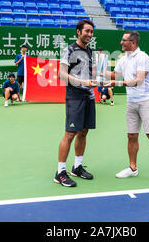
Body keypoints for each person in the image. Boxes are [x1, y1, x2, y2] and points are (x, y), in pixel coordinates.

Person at [106, 30, 149, 186]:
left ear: (133, 43)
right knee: (131, 136)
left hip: (147, 100)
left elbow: (139, 81)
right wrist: (95, 71)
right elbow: (115, 75)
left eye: (124, 40)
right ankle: (132, 168)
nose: (121, 42)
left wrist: (117, 84)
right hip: (132, 101)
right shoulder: (123, 58)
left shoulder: (143, 57)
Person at [54, 19, 96, 187]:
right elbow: (62, 75)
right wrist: (82, 82)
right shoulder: (69, 50)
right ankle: (60, 172)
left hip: (89, 97)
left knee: (84, 132)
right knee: (70, 134)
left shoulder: (91, 52)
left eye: (92, 32)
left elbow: (91, 74)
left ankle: (77, 167)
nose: (90, 35)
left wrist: (105, 79)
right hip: (75, 96)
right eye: (87, 31)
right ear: (78, 32)